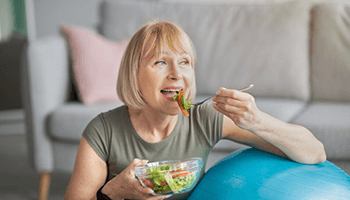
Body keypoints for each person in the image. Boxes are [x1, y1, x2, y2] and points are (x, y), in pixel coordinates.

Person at [64, 21, 326, 200]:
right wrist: (115, 191)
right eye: (161, 62)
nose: (177, 74)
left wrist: (256, 120)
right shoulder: (103, 130)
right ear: (134, 74)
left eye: (184, 62)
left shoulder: (204, 118)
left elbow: (314, 152)